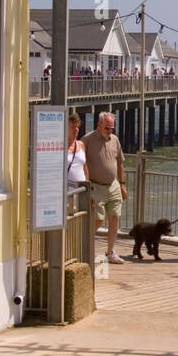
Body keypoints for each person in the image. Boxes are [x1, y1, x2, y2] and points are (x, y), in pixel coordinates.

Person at [82, 112, 127, 263]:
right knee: (98, 220)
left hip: (113, 184)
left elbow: (120, 162)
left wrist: (122, 184)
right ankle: (84, 248)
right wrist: (85, 182)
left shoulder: (115, 140)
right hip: (95, 185)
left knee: (115, 217)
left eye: (112, 128)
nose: (110, 131)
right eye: (107, 128)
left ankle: (110, 252)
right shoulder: (88, 139)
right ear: (99, 125)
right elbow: (80, 162)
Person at [67, 112, 88, 213]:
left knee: (81, 222)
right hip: (67, 193)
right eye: (72, 127)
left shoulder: (81, 145)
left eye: (77, 127)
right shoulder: (61, 148)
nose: (76, 130)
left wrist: (87, 186)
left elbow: (84, 167)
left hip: (81, 192)